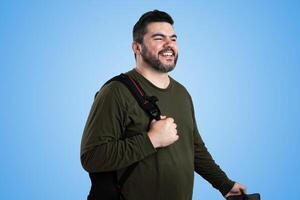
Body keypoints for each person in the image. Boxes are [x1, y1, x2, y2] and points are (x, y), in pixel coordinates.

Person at [81, 10, 246, 200]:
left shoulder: (182, 93)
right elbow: (92, 157)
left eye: (173, 39)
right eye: (159, 38)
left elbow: (194, 148)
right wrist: (152, 140)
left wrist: (224, 185)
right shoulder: (115, 92)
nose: (169, 45)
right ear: (137, 47)